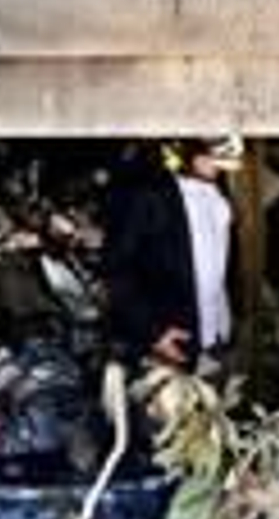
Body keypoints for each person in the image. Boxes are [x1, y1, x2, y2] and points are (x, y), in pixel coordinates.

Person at [104, 136, 243, 374]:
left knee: (213, 407)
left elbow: (219, 262)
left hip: (218, 336)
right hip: (171, 342)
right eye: (214, 156)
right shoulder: (150, 196)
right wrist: (152, 332)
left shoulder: (220, 196)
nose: (221, 165)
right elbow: (117, 269)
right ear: (191, 153)